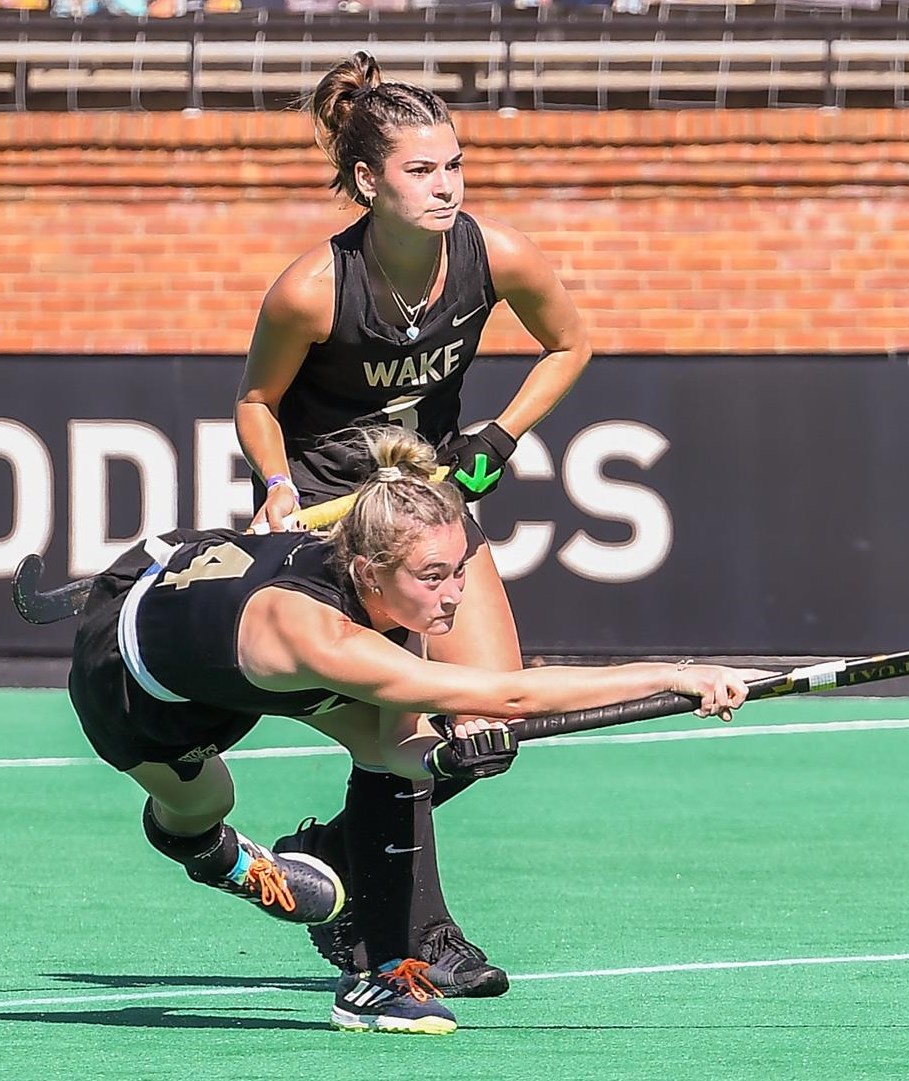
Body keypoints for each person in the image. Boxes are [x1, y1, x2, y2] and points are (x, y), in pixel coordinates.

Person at [67, 430, 753, 1034]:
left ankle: (380, 972)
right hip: (135, 684)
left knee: (388, 754)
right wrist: (677, 672)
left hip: (220, 633)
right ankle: (225, 859)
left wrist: (449, 757)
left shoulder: (382, 590)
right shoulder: (325, 636)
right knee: (202, 802)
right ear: (370, 570)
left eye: (458, 569)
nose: (454, 592)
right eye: (434, 576)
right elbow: (505, 693)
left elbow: (397, 748)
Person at [233, 51, 593, 996]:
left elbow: (571, 341)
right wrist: (273, 481)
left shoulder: (492, 253)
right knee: (404, 727)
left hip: (430, 511)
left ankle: (331, 849)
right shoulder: (313, 286)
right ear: (367, 181)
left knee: (488, 722)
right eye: (421, 171)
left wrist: (503, 434)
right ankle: (414, 937)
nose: (446, 187)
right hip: (338, 533)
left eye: (454, 165)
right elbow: (256, 402)